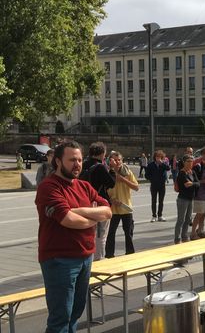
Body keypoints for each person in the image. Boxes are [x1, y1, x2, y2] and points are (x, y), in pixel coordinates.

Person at [35, 141, 112, 333]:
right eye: (72, 160)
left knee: (75, 313)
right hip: (60, 260)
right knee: (61, 318)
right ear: (58, 162)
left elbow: (108, 211)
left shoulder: (84, 186)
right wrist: (93, 218)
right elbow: (68, 220)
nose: (77, 164)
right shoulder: (49, 187)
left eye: (79, 160)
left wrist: (80, 211)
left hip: (85, 256)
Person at [81, 142, 116, 260]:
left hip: (85, 203)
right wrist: (111, 169)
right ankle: (98, 260)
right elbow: (111, 183)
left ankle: (87, 258)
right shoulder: (100, 167)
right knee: (101, 235)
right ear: (102, 154)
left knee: (88, 233)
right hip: (99, 203)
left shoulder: (83, 165)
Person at [105, 151, 139, 257]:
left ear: (122, 160)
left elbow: (136, 187)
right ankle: (109, 255)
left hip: (125, 207)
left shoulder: (127, 172)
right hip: (113, 208)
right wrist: (111, 200)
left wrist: (123, 180)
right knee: (111, 233)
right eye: (114, 160)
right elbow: (103, 190)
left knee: (128, 232)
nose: (117, 162)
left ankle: (130, 253)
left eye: (119, 159)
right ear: (110, 161)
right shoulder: (106, 173)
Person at [174, 154, 198, 244]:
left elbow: (198, 183)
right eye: (188, 161)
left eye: (191, 161)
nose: (190, 163)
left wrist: (192, 183)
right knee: (181, 219)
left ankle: (184, 236)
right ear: (184, 162)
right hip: (183, 199)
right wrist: (193, 184)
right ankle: (177, 239)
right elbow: (185, 185)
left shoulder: (192, 172)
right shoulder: (181, 173)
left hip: (190, 199)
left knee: (188, 219)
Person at [191, 147, 205, 239]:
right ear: (204, 154)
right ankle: (192, 233)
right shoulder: (197, 165)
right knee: (199, 213)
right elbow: (194, 181)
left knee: (204, 213)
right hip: (199, 194)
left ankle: (200, 230)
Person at [145, 150, 170, 222]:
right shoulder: (151, 165)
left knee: (161, 201)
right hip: (154, 185)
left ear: (162, 158)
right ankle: (154, 216)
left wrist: (162, 163)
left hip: (162, 185)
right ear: (154, 157)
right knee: (153, 200)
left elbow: (168, 168)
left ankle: (160, 215)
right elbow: (147, 175)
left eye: (160, 157)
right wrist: (152, 179)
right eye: (157, 157)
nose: (158, 158)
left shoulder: (163, 164)